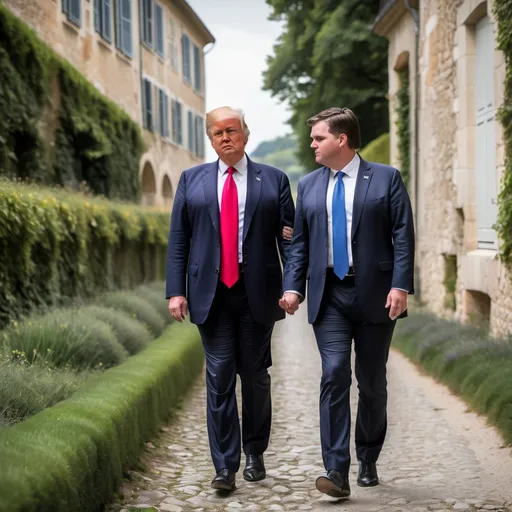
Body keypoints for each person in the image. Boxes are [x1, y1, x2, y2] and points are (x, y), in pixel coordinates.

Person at [280, 107, 415, 498]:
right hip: (330, 295)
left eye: (318, 138)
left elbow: (402, 234)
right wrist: (293, 287)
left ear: (341, 140)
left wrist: (400, 285)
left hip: (377, 294)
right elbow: (300, 244)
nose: (312, 144)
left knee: (371, 381)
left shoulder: (386, 178)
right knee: (334, 373)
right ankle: (336, 470)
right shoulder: (306, 185)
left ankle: (368, 458)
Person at [166, 106, 295, 492]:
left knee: (254, 376)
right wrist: (176, 291)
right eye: (218, 132)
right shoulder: (192, 181)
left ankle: (255, 452)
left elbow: (289, 241)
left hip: (257, 294)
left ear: (245, 134)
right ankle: (224, 467)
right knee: (220, 375)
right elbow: (178, 241)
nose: (226, 137)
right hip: (210, 294)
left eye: (232, 130)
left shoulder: (274, 180)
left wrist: (293, 285)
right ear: (210, 139)